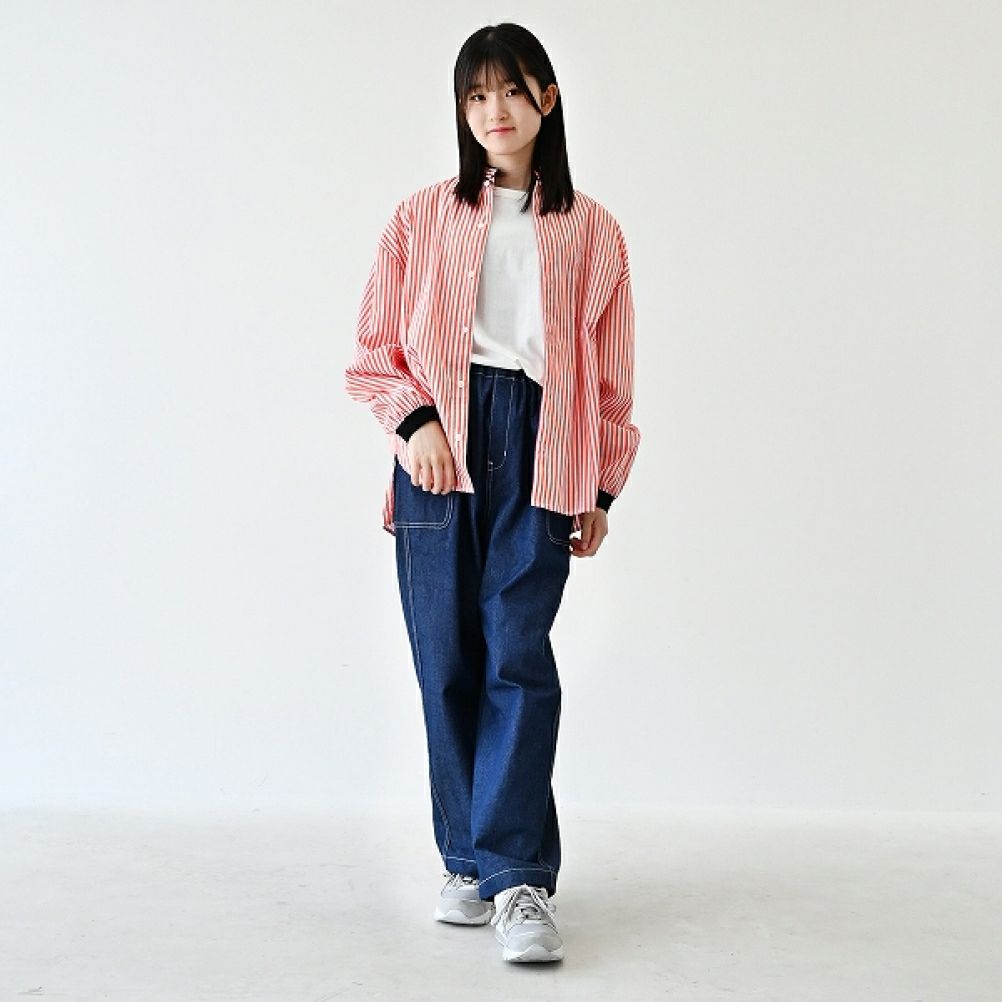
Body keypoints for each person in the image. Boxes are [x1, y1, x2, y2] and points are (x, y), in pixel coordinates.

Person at [344, 22, 641, 964]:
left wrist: (601, 486)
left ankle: (516, 878)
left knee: (518, 656)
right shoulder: (419, 217)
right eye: (476, 95)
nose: (494, 111)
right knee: (446, 662)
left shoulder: (593, 230)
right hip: (439, 449)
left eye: (511, 90)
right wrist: (417, 424)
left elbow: (609, 377)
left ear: (547, 97)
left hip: (545, 450)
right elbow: (374, 352)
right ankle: (465, 858)